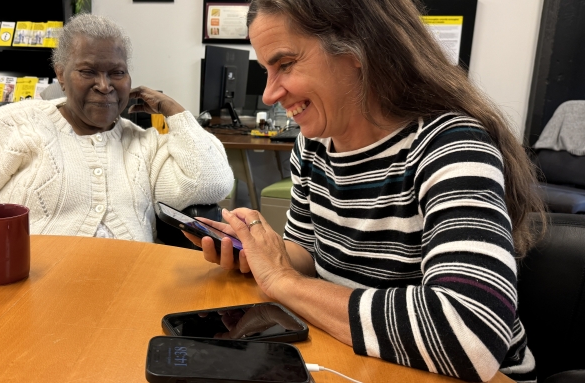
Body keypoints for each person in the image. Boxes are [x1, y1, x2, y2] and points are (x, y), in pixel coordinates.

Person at [185, 0, 544, 382]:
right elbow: (306, 252)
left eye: (285, 64)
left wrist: (284, 282)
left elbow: (470, 335)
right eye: (266, 71)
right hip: (361, 355)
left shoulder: (450, 147)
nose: (270, 94)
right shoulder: (314, 147)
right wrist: (259, 249)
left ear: (357, 48)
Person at [0, 14, 234, 242]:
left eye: (116, 72)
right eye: (88, 72)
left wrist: (176, 113)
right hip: (35, 296)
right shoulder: (18, 123)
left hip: (130, 288)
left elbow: (209, 183)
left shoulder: (143, 143)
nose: (105, 85)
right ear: (61, 75)